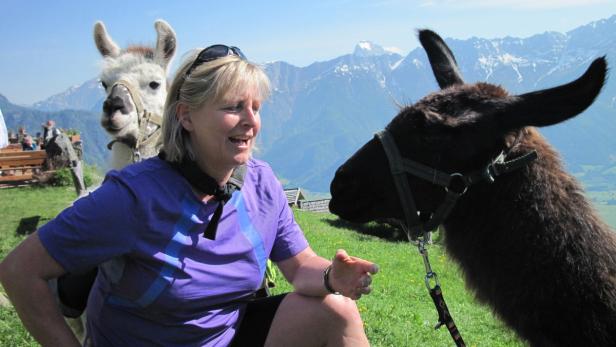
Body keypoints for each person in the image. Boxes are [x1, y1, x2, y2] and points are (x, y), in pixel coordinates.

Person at [0, 45, 379, 346]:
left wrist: (333, 276)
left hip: (228, 336)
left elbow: (300, 267)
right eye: (233, 107)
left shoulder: (261, 185)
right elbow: (20, 271)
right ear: (186, 116)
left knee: (338, 310)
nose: (250, 121)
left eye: (256, 107)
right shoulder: (133, 196)